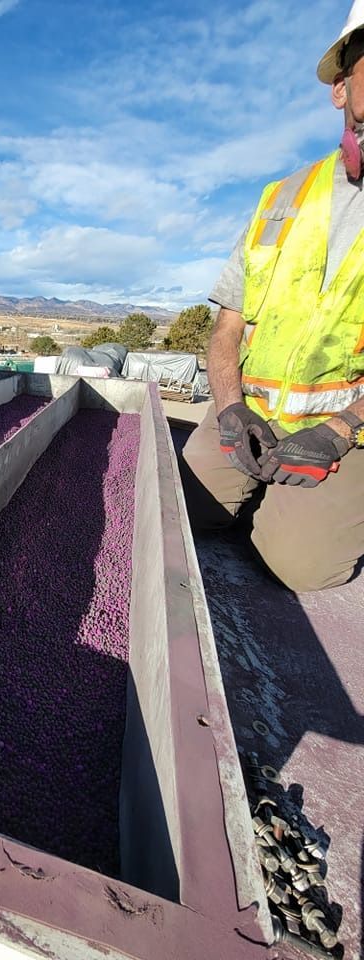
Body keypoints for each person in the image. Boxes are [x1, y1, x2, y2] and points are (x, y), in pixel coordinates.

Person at [182, 0, 364, 593]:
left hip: (346, 431)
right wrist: (231, 408)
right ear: (342, 87)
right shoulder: (281, 197)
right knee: (180, 509)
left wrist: (341, 430)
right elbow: (227, 330)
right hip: (255, 416)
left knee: (301, 566)